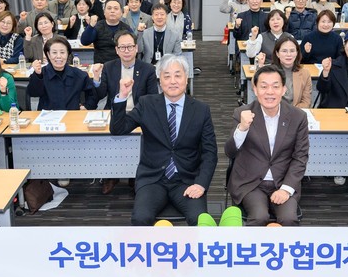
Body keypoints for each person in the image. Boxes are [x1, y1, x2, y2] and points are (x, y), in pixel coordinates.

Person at [110, 54, 217, 226]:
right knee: (140, 219)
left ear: (186, 78)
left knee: (200, 221)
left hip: (187, 180)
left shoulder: (201, 110)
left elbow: (210, 153)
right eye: (167, 76)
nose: (172, 81)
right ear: (160, 80)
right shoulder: (146, 104)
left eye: (177, 75)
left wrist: (201, 184)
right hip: (153, 179)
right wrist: (122, 96)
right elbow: (118, 129)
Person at [225, 65, 309, 226]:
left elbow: (300, 157)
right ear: (255, 90)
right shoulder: (242, 113)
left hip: (283, 180)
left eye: (275, 86)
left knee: (288, 218)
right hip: (250, 183)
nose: (270, 92)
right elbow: (230, 152)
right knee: (259, 217)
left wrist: (286, 189)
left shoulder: (298, 117)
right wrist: (242, 128)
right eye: (264, 87)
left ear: (283, 89)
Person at [92, 30, 158, 194]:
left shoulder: (148, 69)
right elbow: (100, 95)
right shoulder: (109, 67)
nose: (126, 51)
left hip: (138, 113)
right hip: (115, 111)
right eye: (122, 47)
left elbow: (152, 97)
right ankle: (111, 176)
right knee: (109, 137)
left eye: (130, 47)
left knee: (141, 140)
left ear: (136, 48)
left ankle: (135, 176)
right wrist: (96, 78)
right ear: (117, 50)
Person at [27, 36, 98, 110]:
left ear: (68, 54)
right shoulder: (41, 73)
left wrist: (86, 106)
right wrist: (38, 75)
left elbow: (93, 95)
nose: (58, 56)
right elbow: (33, 93)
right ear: (48, 55)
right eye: (54, 52)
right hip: (48, 115)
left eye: (62, 52)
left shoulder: (79, 75)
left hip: (71, 115)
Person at [265, 34, 312, 108]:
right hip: (273, 111)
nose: (289, 54)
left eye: (292, 51)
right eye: (284, 51)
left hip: (296, 112)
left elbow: (306, 102)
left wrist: (291, 112)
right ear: (277, 54)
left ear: (297, 53)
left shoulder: (305, 73)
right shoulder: (268, 72)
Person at [80, 0, 133, 64]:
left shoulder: (126, 28)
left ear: (121, 13)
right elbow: (84, 42)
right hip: (101, 65)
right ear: (104, 12)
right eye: (109, 8)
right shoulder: (97, 26)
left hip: (122, 65)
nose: (112, 11)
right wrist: (91, 26)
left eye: (116, 8)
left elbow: (133, 46)